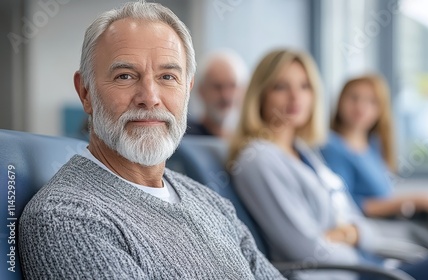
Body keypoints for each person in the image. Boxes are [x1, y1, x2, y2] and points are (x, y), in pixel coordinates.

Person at [18, 2, 284, 279]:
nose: (150, 97)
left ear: (187, 89)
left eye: (167, 77)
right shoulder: (67, 219)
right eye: (125, 76)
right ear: (86, 92)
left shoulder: (210, 201)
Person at [229, 49, 428, 280]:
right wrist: (354, 237)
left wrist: (351, 233)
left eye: (305, 86)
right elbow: (307, 249)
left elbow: (356, 221)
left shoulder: (305, 153)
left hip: (372, 267)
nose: (295, 97)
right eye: (280, 86)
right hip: (352, 274)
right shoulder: (260, 159)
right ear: (260, 94)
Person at [320, 74, 428, 243]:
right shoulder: (332, 147)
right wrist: (421, 200)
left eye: (371, 101)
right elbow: (349, 206)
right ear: (340, 101)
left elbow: (384, 196)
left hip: (392, 221)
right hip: (371, 229)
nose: (360, 107)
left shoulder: (373, 145)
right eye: (354, 98)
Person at [186, 50, 248, 138]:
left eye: (232, 86)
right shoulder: (186, 140)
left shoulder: (250, 140)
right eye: (217, 87)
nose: (226, 96)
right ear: (201, 90)